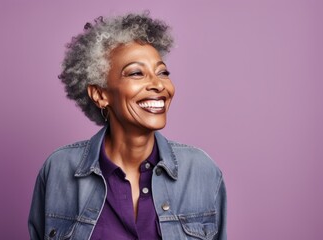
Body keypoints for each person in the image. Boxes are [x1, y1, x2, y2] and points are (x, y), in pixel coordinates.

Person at [28, 12, 227, 240]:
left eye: (162, 72)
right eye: (136, 73)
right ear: (100, 94)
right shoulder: (58, 170)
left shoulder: (201, 171)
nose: (158, 84)